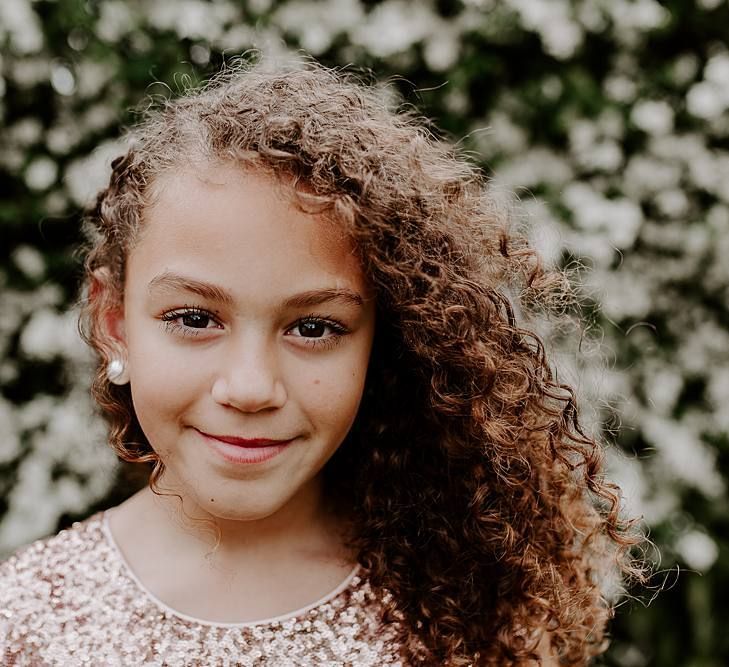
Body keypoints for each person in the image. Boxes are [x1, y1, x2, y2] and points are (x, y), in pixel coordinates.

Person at [0, 58, 641, 666]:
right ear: (115, 325)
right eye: (194, 319)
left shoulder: (468, 613)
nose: (250, 388)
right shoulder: (25, 620)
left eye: (314, 327)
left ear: (381, 342)